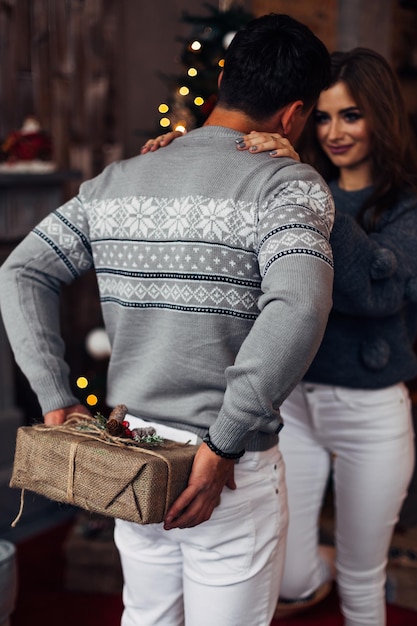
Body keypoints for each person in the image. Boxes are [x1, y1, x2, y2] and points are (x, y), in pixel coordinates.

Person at [0, 14, 335, 626]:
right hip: (225, 465)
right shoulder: (288, 186)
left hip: (133, 451)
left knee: (147, 616)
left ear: (224, 80)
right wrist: (225, 441)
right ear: (293, 114)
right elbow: (302, 305)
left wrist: (55, 395)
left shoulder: (117, 183)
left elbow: (19, 272)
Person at [148, 47, 417, 626]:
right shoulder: (285, 177)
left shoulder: (403, 203)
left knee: (362, 583)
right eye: (323, 116)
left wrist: (312, 190)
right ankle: (332, 568)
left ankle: (361, 579)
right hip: (293, 403)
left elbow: (381, 295)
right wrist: (182, 154)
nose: (335, 131)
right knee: (293, 577)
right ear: (303, 115)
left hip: (370, 409)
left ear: (381, 117)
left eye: (352, 115)